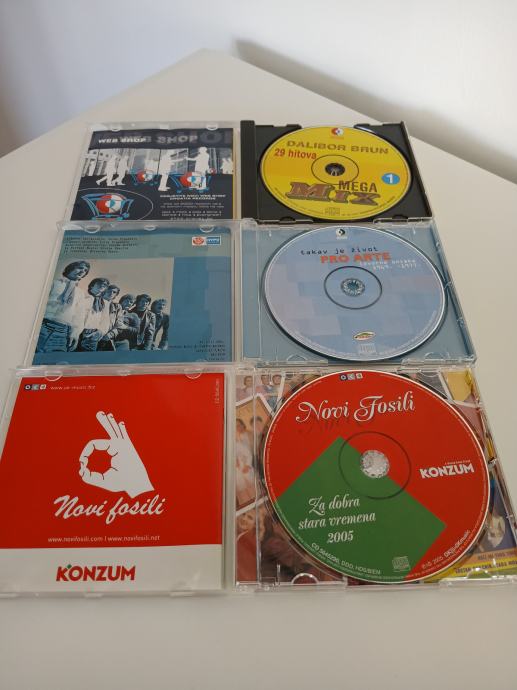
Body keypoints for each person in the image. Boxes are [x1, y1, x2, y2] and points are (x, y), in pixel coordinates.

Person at [36, 260, 90, 352]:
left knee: (56, 357)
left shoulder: (80, 293)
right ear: (70, 268)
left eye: (85, 270)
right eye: (80, 268)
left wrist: (75, 334)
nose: (82, 271)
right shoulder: (53, 283)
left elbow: (79, 316)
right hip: (43, 326)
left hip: (63, 331)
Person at [77, 278, 111, 351]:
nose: (102, 286)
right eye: (99, 283)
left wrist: (99, 333)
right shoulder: (82, 295)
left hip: (92, 335)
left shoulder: (104, 303)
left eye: (105, 285)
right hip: (76, 331)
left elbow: (105, 320)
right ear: (92, 285)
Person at [97, 284, 121, 351]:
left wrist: (110, 334)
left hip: (106, 338)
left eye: (114, 292)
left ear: (116, 295)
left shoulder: (117, 307)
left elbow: (119, 325)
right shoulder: (94, 301)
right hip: (92, 336)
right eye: (109, 290)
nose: (111, 293)